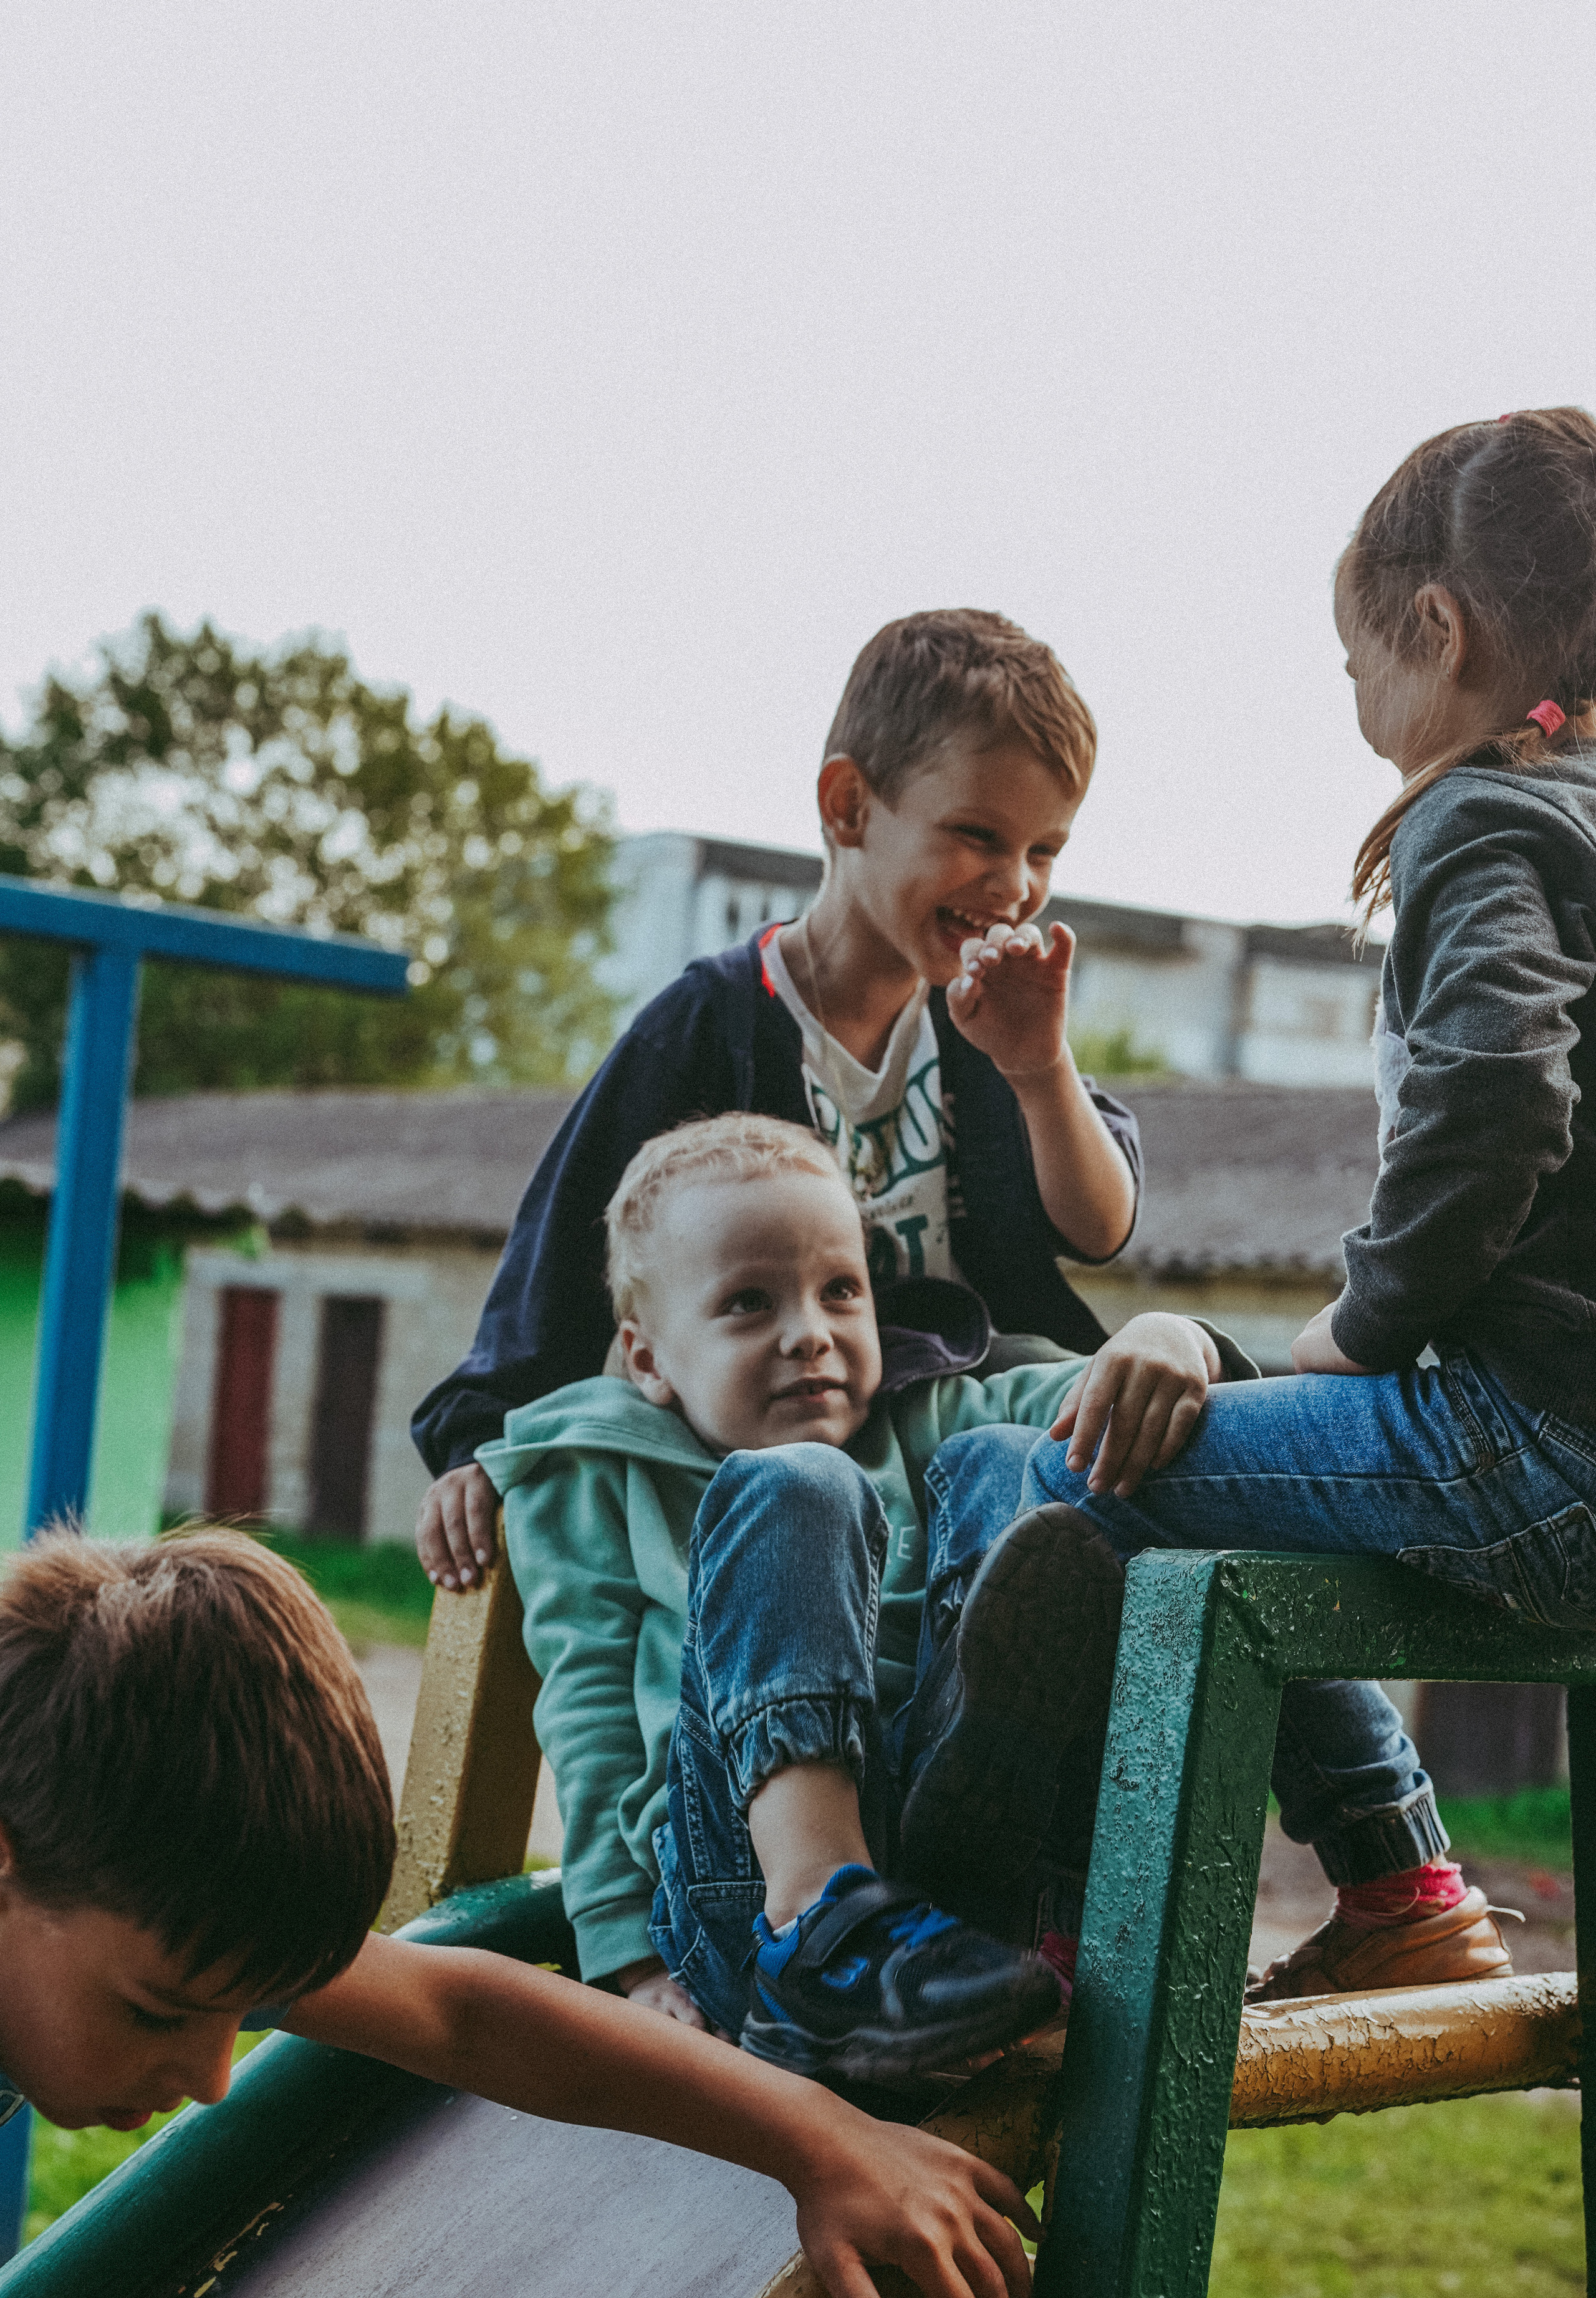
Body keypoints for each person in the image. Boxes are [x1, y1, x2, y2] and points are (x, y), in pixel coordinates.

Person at [1011, 404, 1596, 1999]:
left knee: (1052, 1479)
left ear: (1435, 626)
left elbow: (1494, 1100)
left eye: (1355, 663)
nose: (1355, 697)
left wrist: (1359, 1324)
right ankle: (1399, 1883)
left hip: (1539, 1443)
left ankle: (1028, 1953)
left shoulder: (1483, 815)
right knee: (1200, 1494)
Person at [0, 1525, 1045, 2298]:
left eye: (245, 2009)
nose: (215, 2078)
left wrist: (821, 2140)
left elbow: (463, 2017)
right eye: (158, 2010)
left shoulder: (115, 1879)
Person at [479, 1113, 1249, 2076]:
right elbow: (587, 1701)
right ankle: (821, 1915)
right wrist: (627, 1960)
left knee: (1015, 1461)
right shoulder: (595, 1470)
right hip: (741, 1908)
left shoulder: (927, 1413)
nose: (811, 1335)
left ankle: (979, 1887)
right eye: (750, 1304)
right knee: (794, 1482)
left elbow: (1100, 1391)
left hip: (953, 1898)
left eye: (840, 1291)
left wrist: (1174, 1334)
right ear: (647, 1360)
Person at [414, 607, 1142, 1593]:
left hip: (957, 1431)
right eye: (978, 835)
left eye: (1045, 852)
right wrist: (475, 1446)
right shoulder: (709, 1025)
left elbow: (1098, 1229)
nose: (1014, 885)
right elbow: (563, 1266)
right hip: (779, 1462)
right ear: (848, 808)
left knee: (1136, 1422)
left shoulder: (992, 1023)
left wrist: (1040, 1066)